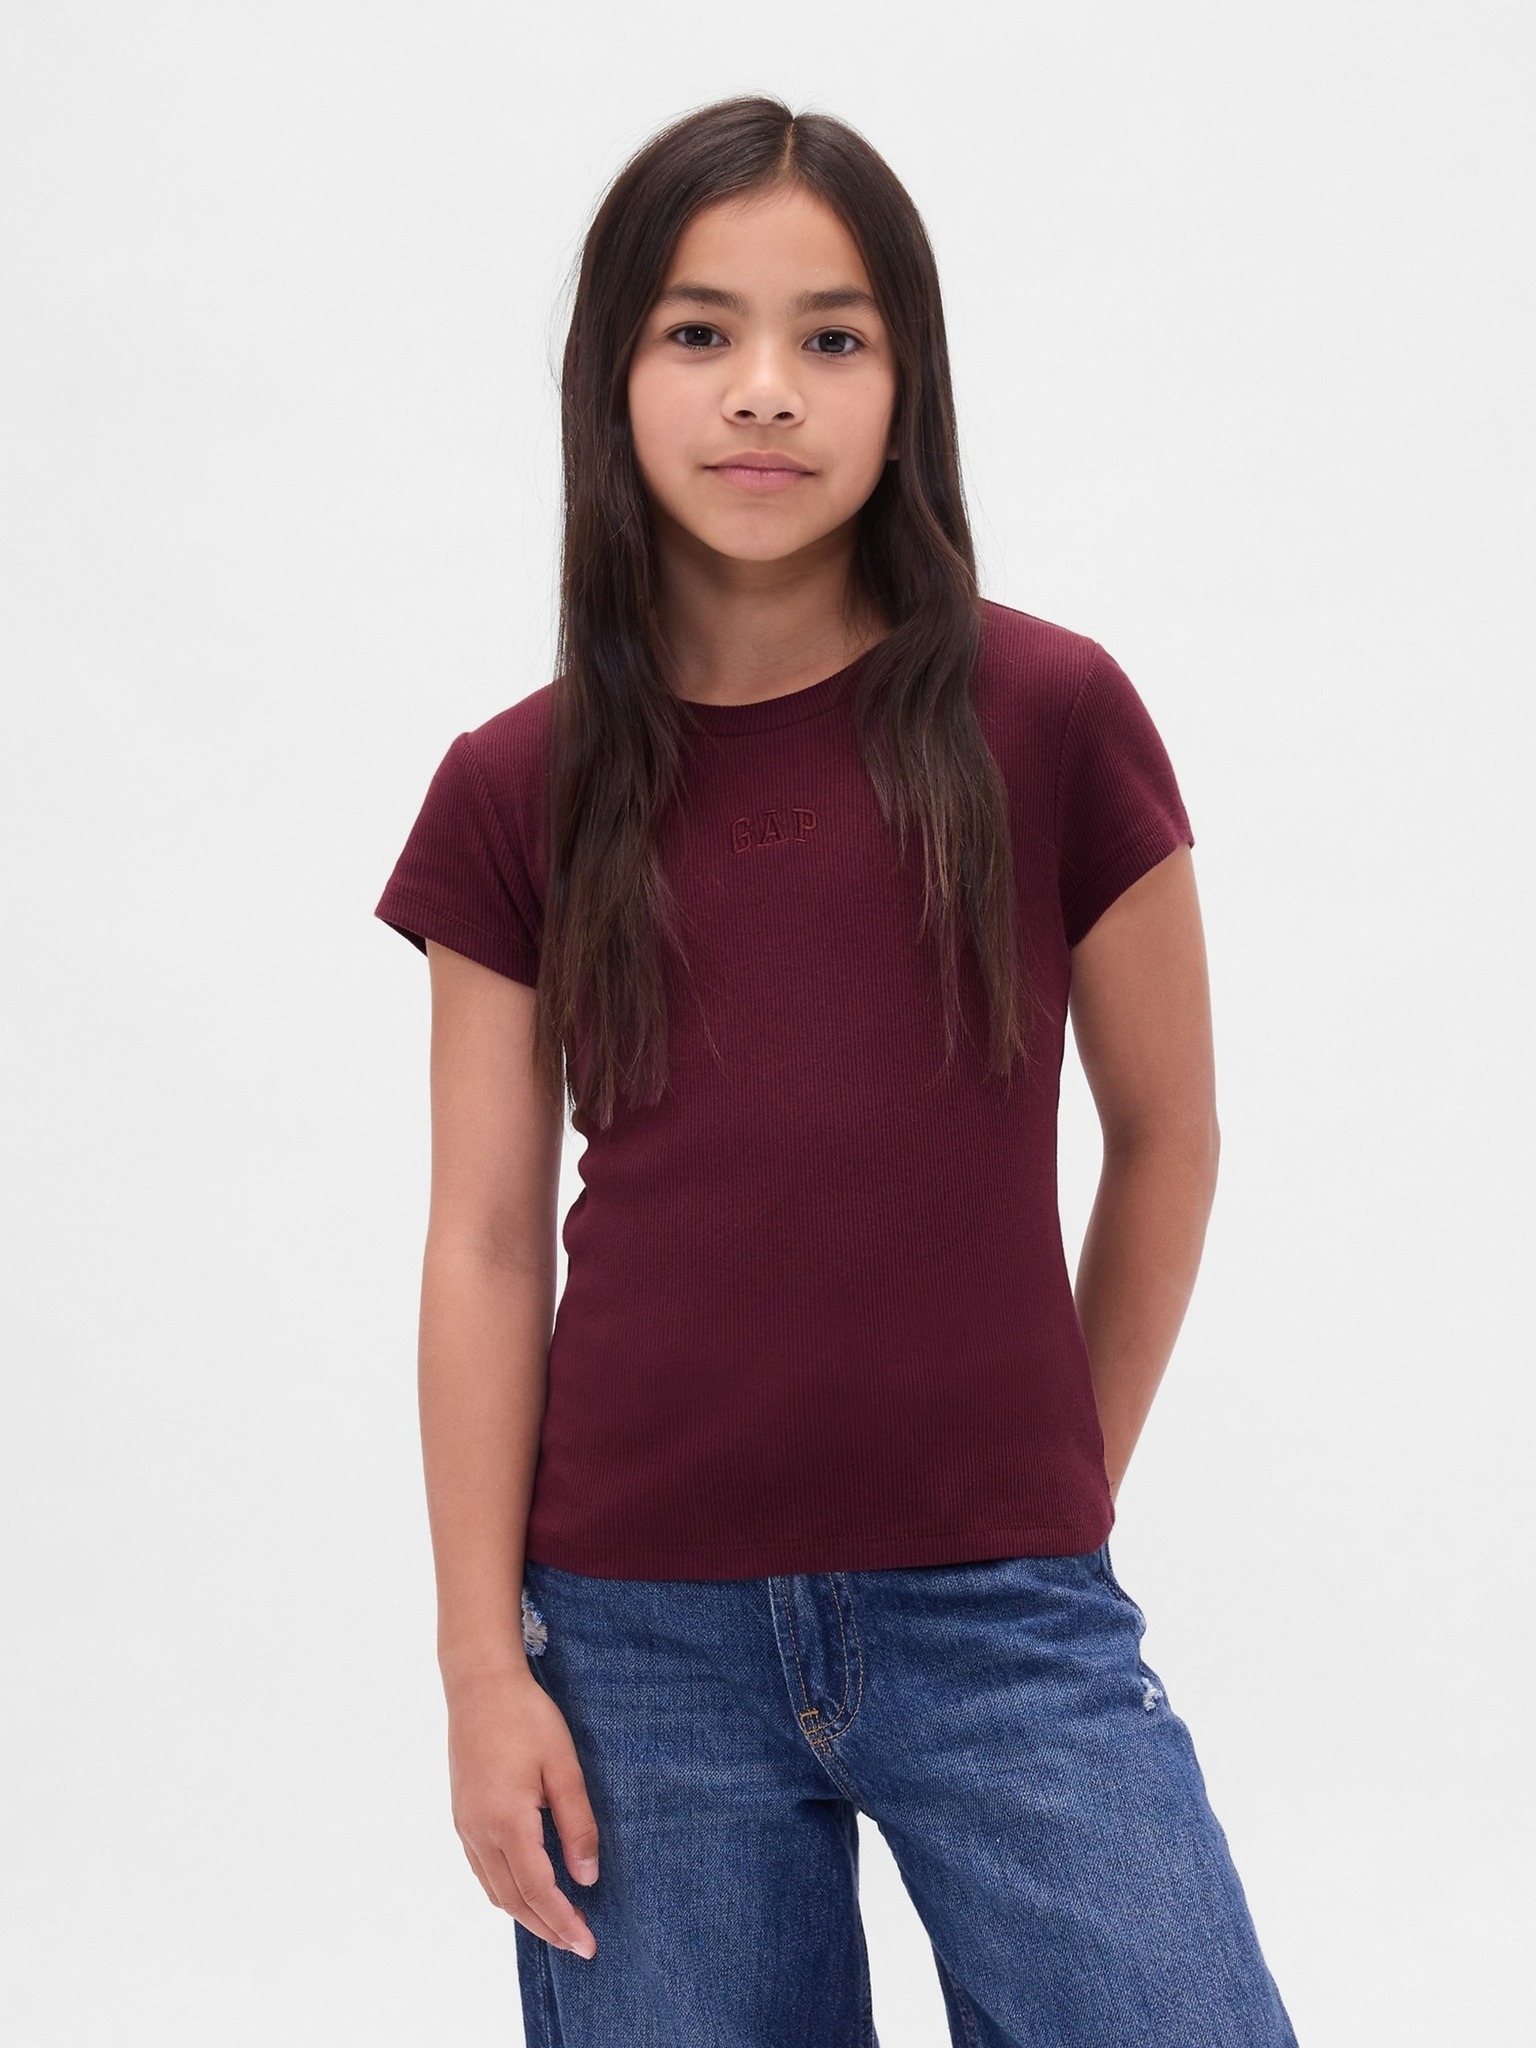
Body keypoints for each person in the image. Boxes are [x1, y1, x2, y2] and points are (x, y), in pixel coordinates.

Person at [374, 93, 1300, 2048]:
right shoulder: (517, 786)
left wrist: (1056, 1485)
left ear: (908, 383)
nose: (765, 390)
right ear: (613, 374)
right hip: (633, 1641)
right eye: (700, 331)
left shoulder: (1051, 715)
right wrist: (480, 1666)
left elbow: (1170, 1136)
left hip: (1004, 1620)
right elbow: (482, 1241)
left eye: (833, 335)